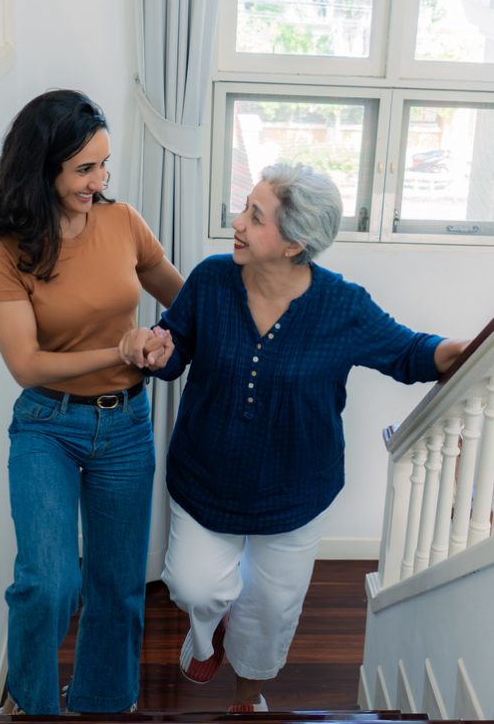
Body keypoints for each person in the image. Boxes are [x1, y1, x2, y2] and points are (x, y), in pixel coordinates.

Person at [139, 163, 468, 713]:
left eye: (255, 216)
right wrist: (159, 352)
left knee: (271, 609)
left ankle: (248, 698)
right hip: (205, 477)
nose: (237, 222)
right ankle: (209, 632)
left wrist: (458, 350)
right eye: (245, 208)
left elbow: (408, 352)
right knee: (196, 588)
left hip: (297, 488)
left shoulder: (343, 305)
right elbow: (176, 347)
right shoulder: (211, 280)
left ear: (294, 243)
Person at [0, 89, 183, 715]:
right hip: (47, 426)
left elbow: (182, 296)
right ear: (44, 167)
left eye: (104, 165)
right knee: (48, 583)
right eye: (85, 168)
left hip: (127, 427)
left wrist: (172, 341)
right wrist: (121, 349)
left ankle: (103, 704)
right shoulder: (6, 249)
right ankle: (32, 706)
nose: (100, 180)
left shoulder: (122, 223)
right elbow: (26, 364)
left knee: (117, 588)